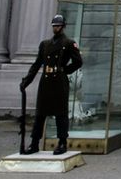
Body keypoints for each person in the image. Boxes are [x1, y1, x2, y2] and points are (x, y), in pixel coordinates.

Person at [19, 14, 82, 155]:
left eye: (58, 26)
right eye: (54, 26)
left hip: (59, 80)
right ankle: (34, 142)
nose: (56, 28)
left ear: (63, 26)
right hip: (46, 80)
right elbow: (36, 65)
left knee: (61, 113)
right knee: (40, 113)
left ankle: (62, 142)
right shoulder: (45, 44)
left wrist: (65, 70)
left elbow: (78, 61)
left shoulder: (68, 43)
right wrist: (26, 81)